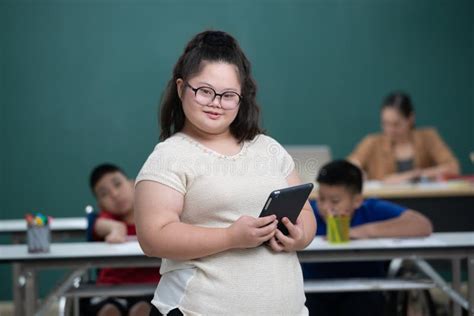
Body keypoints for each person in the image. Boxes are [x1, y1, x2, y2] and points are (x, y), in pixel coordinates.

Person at [134, 30, 317, 316]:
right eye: (205, 91)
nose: (216, 102)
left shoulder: (267, 148)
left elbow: (305, 210)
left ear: (242, 98)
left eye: (229, 95)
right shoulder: (169, 156)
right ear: (182, 88)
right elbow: (153, 237)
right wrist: (231, 237)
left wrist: (300, 236)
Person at [303, 160, 433, 316]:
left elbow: (422, 225)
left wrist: (363, 231)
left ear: (357, 200)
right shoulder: (308, 212)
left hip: (364, 289)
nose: (325, 207)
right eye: (321, 199)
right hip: (314, 290)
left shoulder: (371, 209)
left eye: (335, 201)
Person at [81, 163, 160, 316]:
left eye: (118, 184)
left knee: (143, 310)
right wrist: (115, 228)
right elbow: (97, 224)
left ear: (132, 184)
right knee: (109, 311)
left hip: (151, 288)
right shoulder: (105, 219)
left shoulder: (155, 215)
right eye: (104, 194)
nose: (115, 194)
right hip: (111, 290)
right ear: (100, 205)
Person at [348, 91, 460, 183]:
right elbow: (349, 167)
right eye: (385, 123)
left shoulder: (428, 137)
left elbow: (452, 167)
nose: (390, 130)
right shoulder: (372, 142)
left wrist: (412, 176)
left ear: (410, 119)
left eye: (396, 124)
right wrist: (355, 172)